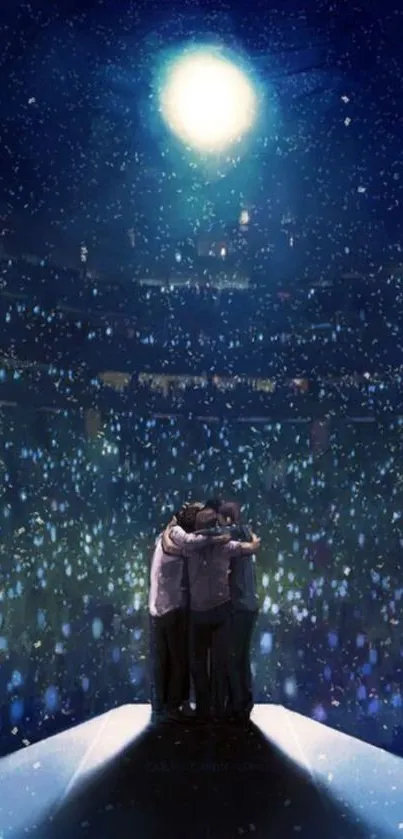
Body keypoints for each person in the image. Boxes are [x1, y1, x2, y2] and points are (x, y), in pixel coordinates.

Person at [163, 507, 261, 721]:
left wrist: (170, 527)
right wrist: (252, 536)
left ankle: (204, 708)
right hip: (221, 610)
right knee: (220, 661)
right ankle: (218, 709)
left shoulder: (189, 547)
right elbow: (252, 548)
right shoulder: (226, 546)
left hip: (198, 613)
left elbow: (171, 544)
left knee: (198, 664)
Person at [148, 502, 208, 723]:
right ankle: (174, 705)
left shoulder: (166, 536)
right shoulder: (177, 534)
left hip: (161, 606)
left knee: (167, 659)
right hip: (171, 606)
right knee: (178, 659)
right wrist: (216, 536)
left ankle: (166, 704)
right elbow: (191, 543)